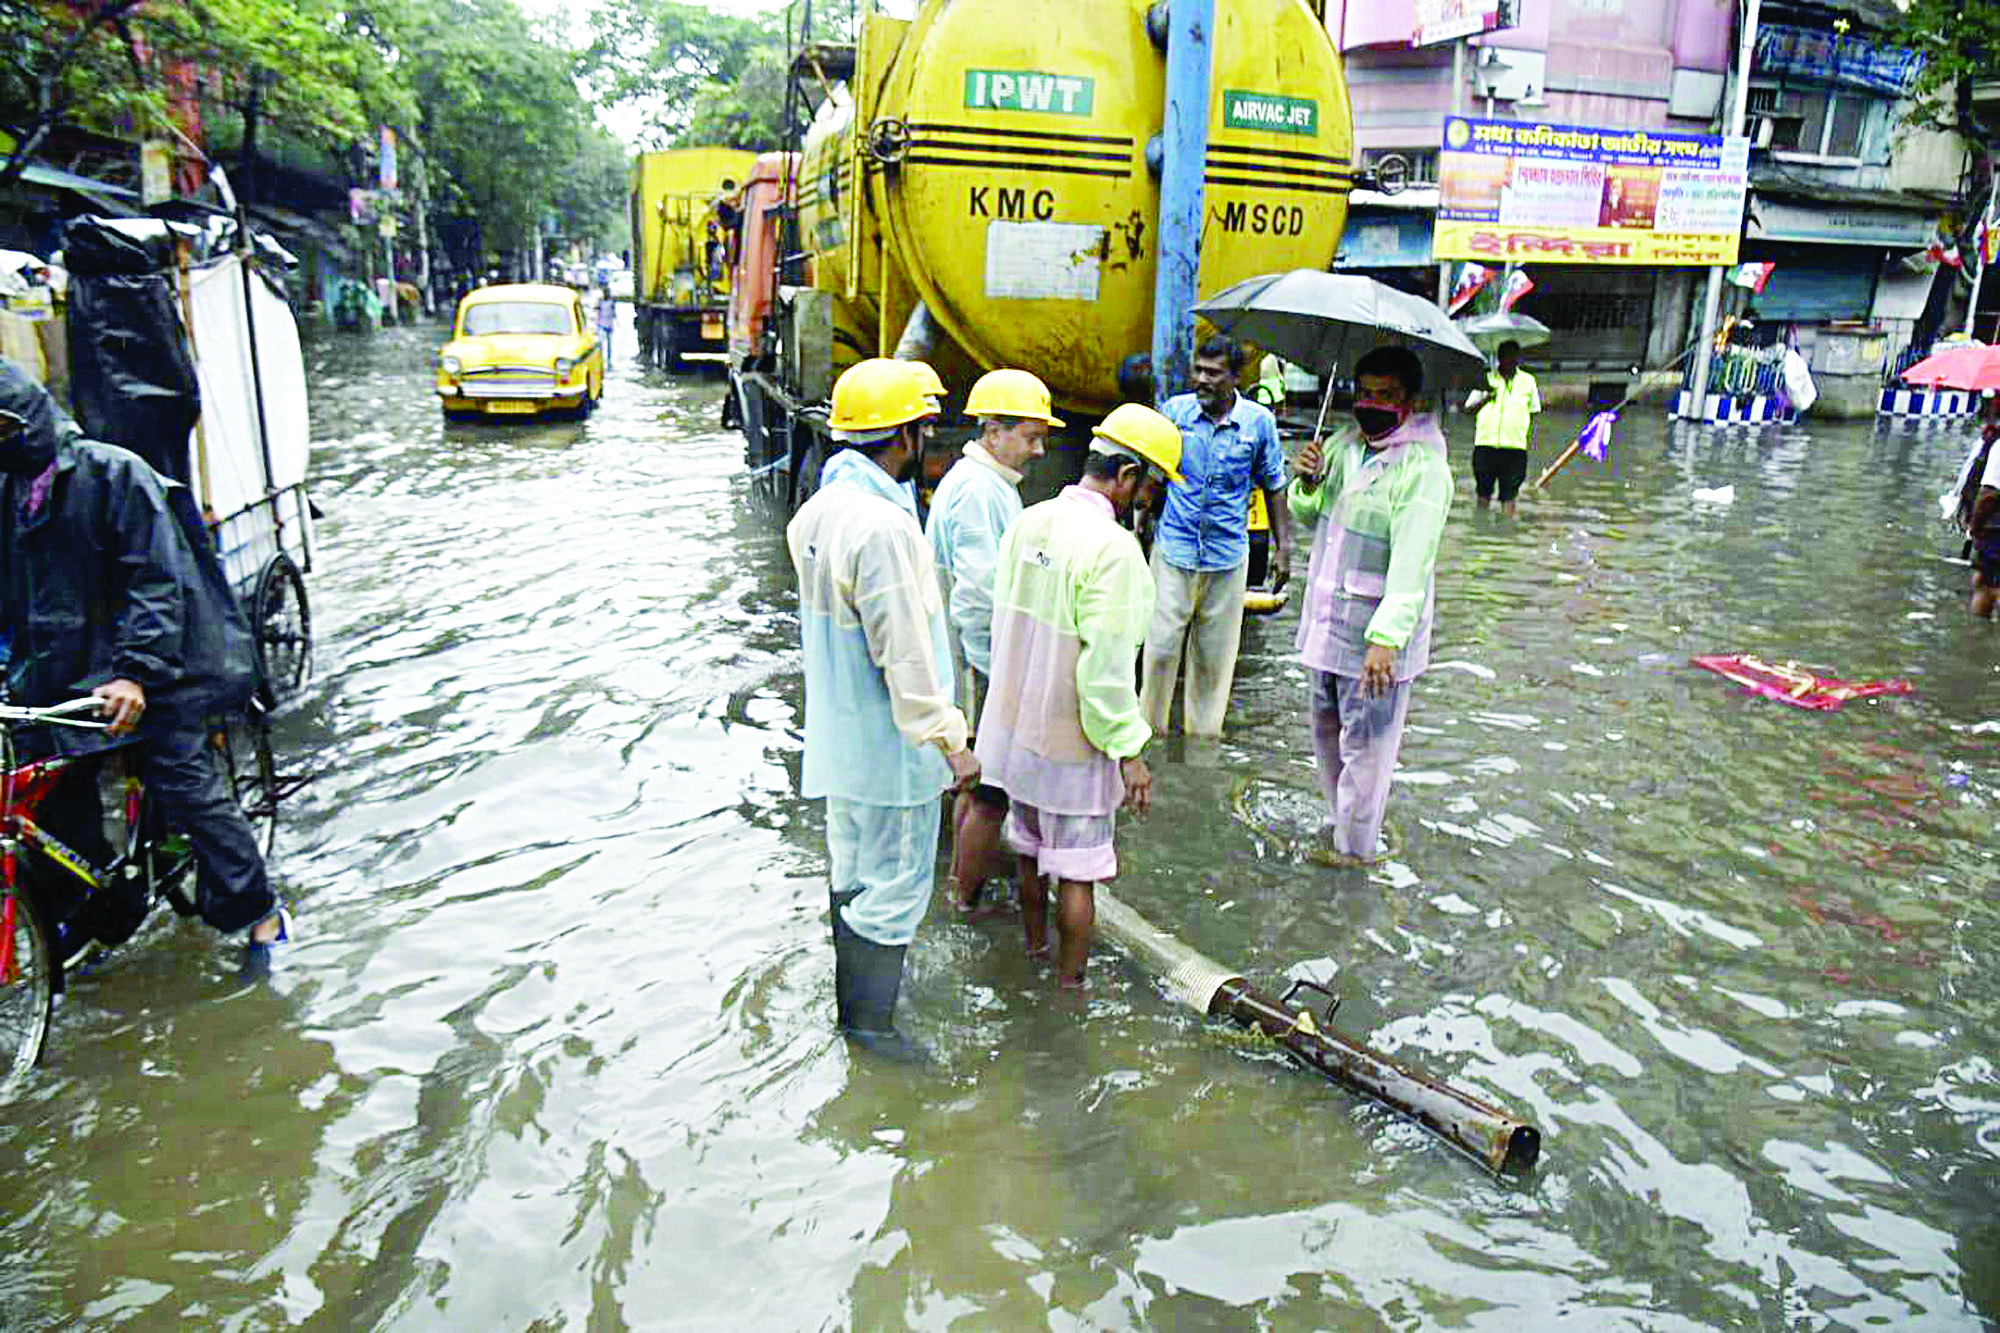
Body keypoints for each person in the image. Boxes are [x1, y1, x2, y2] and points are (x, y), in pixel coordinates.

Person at [0, 359, 289, 959]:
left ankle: (259, 912)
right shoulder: (8, 495)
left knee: (187, 784)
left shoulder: (114, 475)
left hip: (152, 668)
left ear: (27, 420)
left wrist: (135, 671)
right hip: (59, 673)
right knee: (45, 793)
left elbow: (157, 583)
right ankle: (86, 910)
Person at [787, 358, 979, 1059]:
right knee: (896, 884)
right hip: (893, 750)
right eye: (924, 428)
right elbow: (905, 652)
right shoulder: (884, 529)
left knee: (852, 873)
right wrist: (950, 740)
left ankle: (850, 1010)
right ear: (905, 435)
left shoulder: (817, 512)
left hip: (840, 743)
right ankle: (870, 1029)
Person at [976, 404, 1176, 989]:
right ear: (1128, 478)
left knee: (1030, 852)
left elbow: (1002, 628)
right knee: (1080, 873)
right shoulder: (1115, 551)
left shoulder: (1028, 520)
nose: (1147, 501)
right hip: (1071, 744)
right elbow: (1107, 672)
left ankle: (1035, 950)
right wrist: (1130, 753)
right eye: (1149, 487)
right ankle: (1070, 991)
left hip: (1014, 733)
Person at [1289, 345, 1452, 861]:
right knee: (1327, 736)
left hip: (1374, 642)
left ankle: (1355, 855)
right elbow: (1308, 514)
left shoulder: (1423, 470)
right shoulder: (1341, 445)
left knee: (1368, 753)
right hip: (1327, 626)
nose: (1371, 404)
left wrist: (1385, 639)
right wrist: (1309, 480)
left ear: (1411, 401)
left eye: (1386, 395)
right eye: (1363, 393)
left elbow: (1413, 561)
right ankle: (1340, 830)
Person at [925, 368, 1058, 913]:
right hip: (978, 659)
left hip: (971, 657)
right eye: (1029, 437)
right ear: (993, 431)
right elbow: (978, 597)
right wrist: (1007, 672)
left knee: (974, 783)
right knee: (990, 792)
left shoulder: (983, 484)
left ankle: (960, 882)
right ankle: (964, 899)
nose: (1039, 450)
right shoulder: (979, 492)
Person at [1140, 335, 1291, 739]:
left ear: (1235, 377)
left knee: (1213, 661)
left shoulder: (1259, 422)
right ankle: (1145, 740)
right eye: (1198, 370)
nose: (1202, 380)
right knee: (1158, 649)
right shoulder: (1175, 413)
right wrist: (1137, 523)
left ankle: (1202, 747)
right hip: (1174, 549)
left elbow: (1275, 485)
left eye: (1213, 373)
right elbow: (1154, 477)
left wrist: (1285, 547)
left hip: (1227, 557)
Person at [1464, 339, 1541, 517]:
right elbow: (1467, 409)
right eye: (1504, 356)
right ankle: (1481, 526)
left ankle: (1506, 532)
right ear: (1498, 358)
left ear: (1518, 359)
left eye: (1512, 357)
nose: (1508, 361)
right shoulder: (1486, 379)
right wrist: (1486, 398)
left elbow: (1534, 411)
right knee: (1482, 493)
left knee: (1509, 495)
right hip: (1485, 445)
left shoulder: (1528, 382)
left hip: (1515, 448)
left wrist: (1518, 430)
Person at [1955, 400, 2000, 618]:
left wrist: (1975, 524)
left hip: (1995, 529)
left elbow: (1990, 492)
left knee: (1986, 582)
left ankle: (1977, 638)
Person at [594, 284, 617, 367]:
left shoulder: (611, 302)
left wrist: (616, 322)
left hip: (608, 325)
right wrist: (597, 323)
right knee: (602, 344)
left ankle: (608, 359)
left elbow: (614, 313)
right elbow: (598, 312)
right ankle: (603, 359)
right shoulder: (600, 302)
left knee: (608, 345)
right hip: (603, 325)